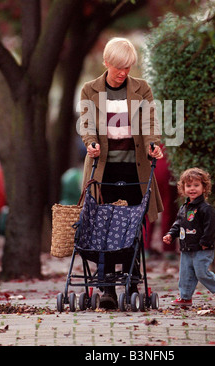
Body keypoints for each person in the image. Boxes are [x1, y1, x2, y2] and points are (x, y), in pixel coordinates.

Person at [79, 37, 164, 308]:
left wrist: (153, 144)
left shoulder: (142, 88)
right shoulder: (89, 89)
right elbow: (87, 122)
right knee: (102, 223)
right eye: (118, 67)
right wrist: (90, 142)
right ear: (106, 63)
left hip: (133, 168)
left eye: (127, 67)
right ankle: (106, 288)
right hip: (103, 168)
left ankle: (132, 277)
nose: (123, 73)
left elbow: (150, 121)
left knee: (132, 223)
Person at [163, 167, 215, 307]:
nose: (192, 189)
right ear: (183, 188)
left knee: (201, 273)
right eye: (188, 186)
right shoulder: (184, 208)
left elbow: (210, 227)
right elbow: (178, 224)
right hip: (186, 246)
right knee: (185, 273)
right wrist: (171, 234)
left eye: (196, 185)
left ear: (204, 188)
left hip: (202, 247)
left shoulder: (206, 208)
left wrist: (205, 241)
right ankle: (185, 297)